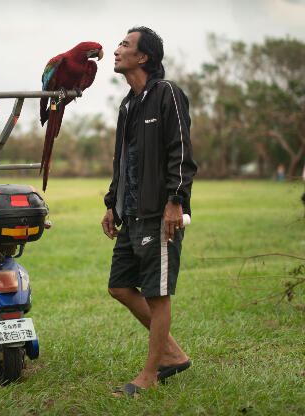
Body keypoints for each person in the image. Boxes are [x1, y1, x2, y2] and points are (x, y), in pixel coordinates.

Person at [101, 26, 198, 398]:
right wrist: (113, 203)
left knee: (157, 294)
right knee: (120, 286)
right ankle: (173, 354)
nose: (116, 50)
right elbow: (122, 159)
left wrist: (176, 201)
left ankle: (151, 374)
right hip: (132, 212)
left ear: (143, 57)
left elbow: (182, 152)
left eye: (125, 45)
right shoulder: (128, 104)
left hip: (160, 212)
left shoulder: (167, 94)